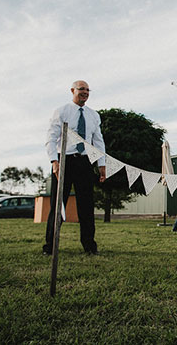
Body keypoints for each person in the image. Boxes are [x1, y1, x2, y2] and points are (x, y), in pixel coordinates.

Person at [43, 80, 106, 255]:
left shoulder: (94, 115)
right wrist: (54, 161)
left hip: (85, 163)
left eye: (88, 90)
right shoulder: (61, 111)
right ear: (72, 90)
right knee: (58, 205)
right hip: (64, 161)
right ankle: (50, 246)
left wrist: (101, 164)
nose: (85, 92)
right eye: (81, 89)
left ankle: (89, 246)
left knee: (86, 206)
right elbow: (51, 138)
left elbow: (98, 141)